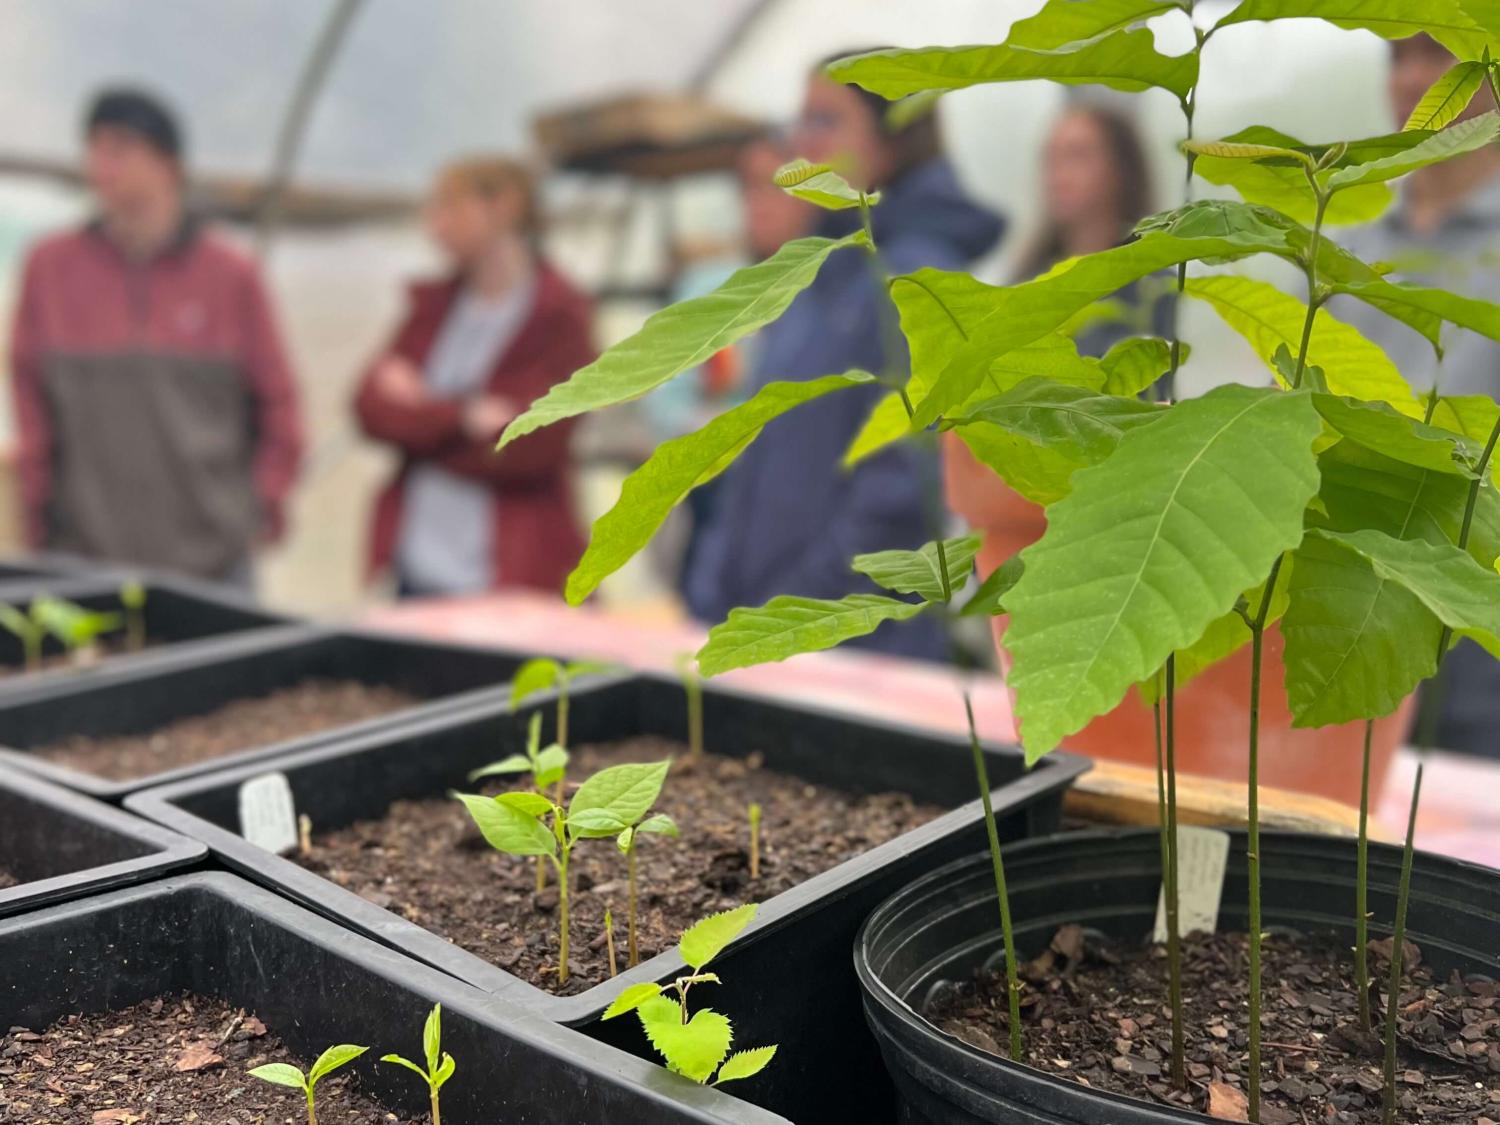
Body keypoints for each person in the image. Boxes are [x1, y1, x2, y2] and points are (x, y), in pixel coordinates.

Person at [683, 58, 1005, 660]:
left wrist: (797, 613)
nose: (800, 143)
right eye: (799, 119)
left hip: (856, 648)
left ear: (894, 138)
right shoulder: (821, 271)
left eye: (825, 120)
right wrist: (713, 588)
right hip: (775, 634)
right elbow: (754, 445)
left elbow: (902, 491)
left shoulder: (918, 279)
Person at [10, 87, 302, 584]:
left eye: (120, 149)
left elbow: (279, 400)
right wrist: (37, 511)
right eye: (95, 148)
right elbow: (30, 399)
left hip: (211, 562)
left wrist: (260, 504)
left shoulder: (229, 274)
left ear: (168, 165)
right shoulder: (52, 269)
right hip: (86, 558)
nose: (102, 165)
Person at [1335, 34, 1500, 757]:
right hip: (1353, 572)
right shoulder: (1356, 248)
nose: (1413, 79)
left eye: (1438, 57)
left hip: (1472, 588)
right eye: (1400, 58)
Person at [355, 156, 593, 597]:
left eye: (451, 207)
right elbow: (368, 407)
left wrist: (420, 414)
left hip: (507, 576)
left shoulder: (563, 314)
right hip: (416, 565)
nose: (435, 225)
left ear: (505, 207)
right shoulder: (433, 304)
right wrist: (463, 418)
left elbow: (532, 447)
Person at [642, 137, 812, 590]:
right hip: (720, 498)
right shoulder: (713, 289)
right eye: (749, 187)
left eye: (777, 187)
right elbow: (665, 399)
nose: (758, 202)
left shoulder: (840, 295)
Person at [1014, 103, 1167, 353]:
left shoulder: (1153, 289)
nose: (1058, 176)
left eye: (1077, 156)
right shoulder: (1030, 287)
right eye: (1050, 159)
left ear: (1119, 169)